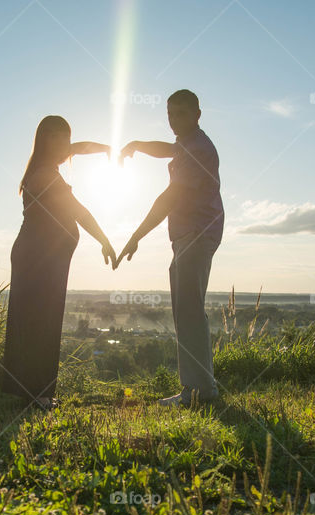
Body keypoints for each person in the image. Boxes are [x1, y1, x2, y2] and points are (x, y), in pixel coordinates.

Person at [2, 115, 117, 410]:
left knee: (40, 319)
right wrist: (104, 239)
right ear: (47, 140)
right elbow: (77, 210)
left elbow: (77, 148)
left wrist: (103, 147)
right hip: (38, 256)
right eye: (60, 138)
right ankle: (38, 395)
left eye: (67, 137)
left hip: (43, 256)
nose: (67, 144)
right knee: (42, 321)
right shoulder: (45, 174)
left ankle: (31, 392)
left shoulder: (47, 166)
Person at [118, 89, 223, 407]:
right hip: (187, 235)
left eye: (180, 113)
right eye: (170, 114)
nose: (174, 120)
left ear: (197, 114)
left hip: (195, 232)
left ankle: (198, 392)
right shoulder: (188, 145)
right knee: (187, 309)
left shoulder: (197, 150)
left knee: (189, 311)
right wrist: (137, 145)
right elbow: (168, 149)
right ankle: (199, 388)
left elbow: (168, 198)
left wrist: (136, 234)